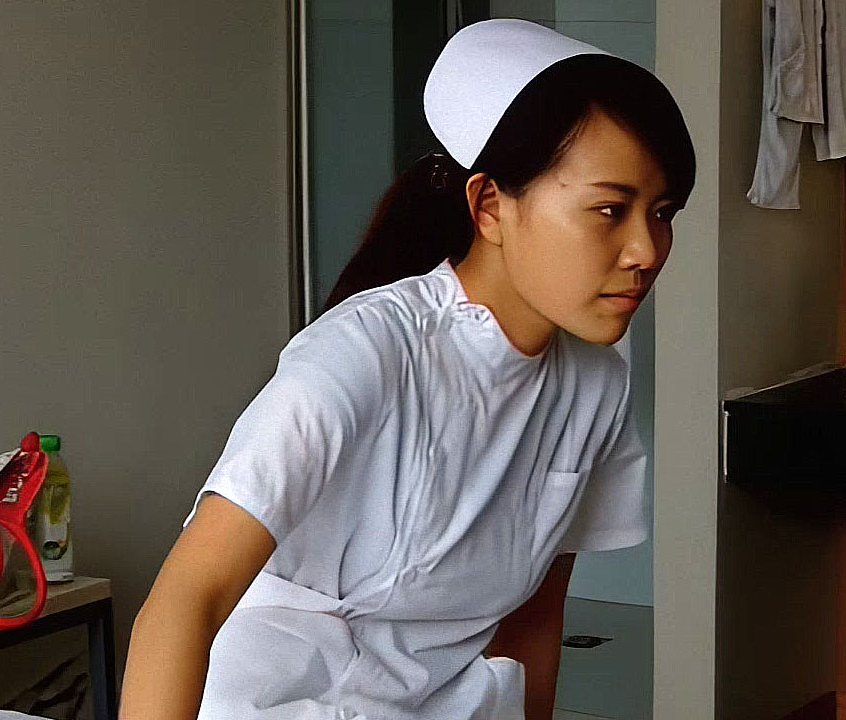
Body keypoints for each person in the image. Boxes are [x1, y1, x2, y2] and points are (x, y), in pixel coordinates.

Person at [119, 18, 696, 720]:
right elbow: (187, 598)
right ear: (490, 205)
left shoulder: (596, 383)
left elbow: (533, 623)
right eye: (610, 210)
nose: (646, 250)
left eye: (661, 213)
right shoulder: (363, 354)